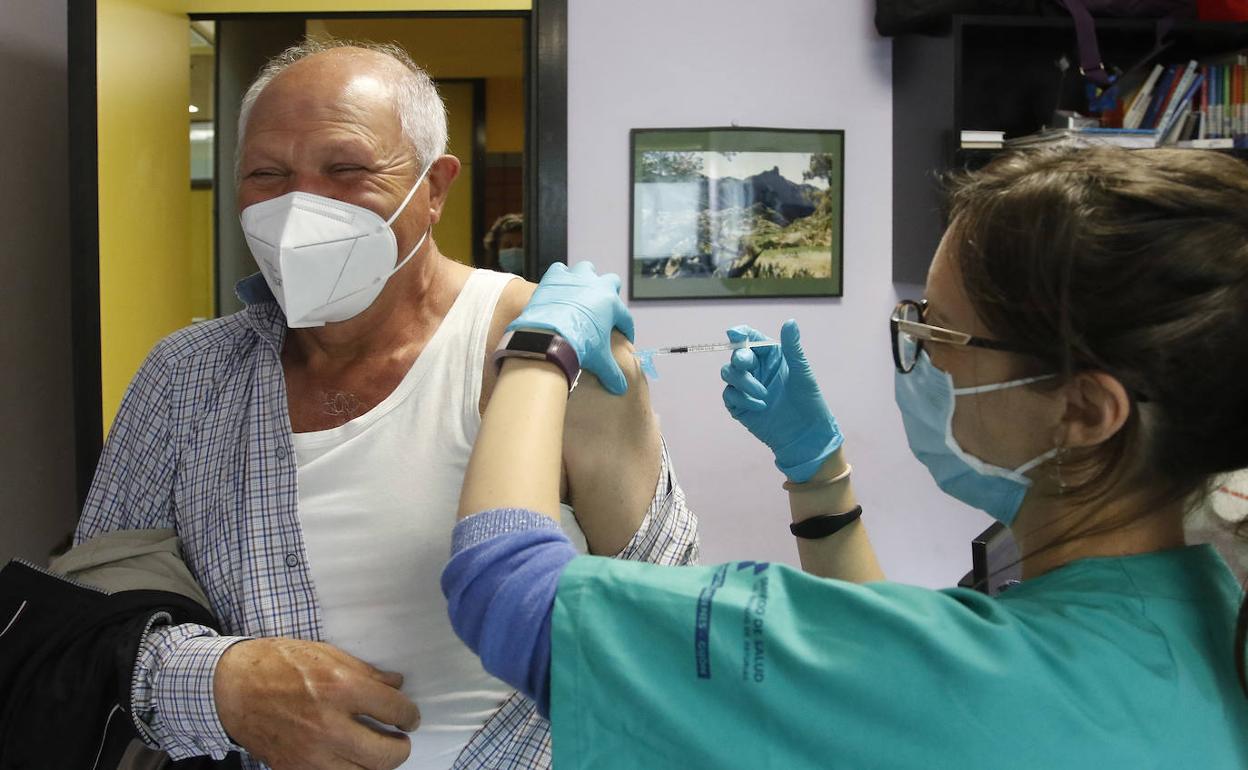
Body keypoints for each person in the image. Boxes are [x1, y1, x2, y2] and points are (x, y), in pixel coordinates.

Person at [442, 148, 1248, 767]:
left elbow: (507, 590)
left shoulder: (999, 677)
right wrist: (818, 472)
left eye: (939, 331)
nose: (917, 353)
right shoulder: (1202, 608)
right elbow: (894, 690)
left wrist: (539, 350)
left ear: (1083, 410)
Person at [76, 39, 698, 770]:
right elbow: (87, 622)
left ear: (433, 188)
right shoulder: (186, 378)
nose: (299, 208)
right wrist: (218, 686)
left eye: (346, 170)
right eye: (267, 174)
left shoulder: (558, 355)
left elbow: (666, 633)